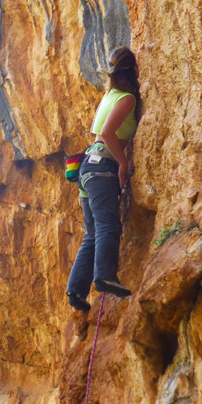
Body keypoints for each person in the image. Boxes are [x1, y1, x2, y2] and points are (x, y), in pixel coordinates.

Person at [66, 47, 141, 311]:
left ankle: (76, 291)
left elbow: (99, 130)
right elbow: (109, 133)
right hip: (103, 167)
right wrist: (122, 162)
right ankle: (105, 277)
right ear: (134, 71)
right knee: (108, 226)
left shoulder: (109, 94)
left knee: (93, 233)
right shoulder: (128, 99)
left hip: (87, 167)